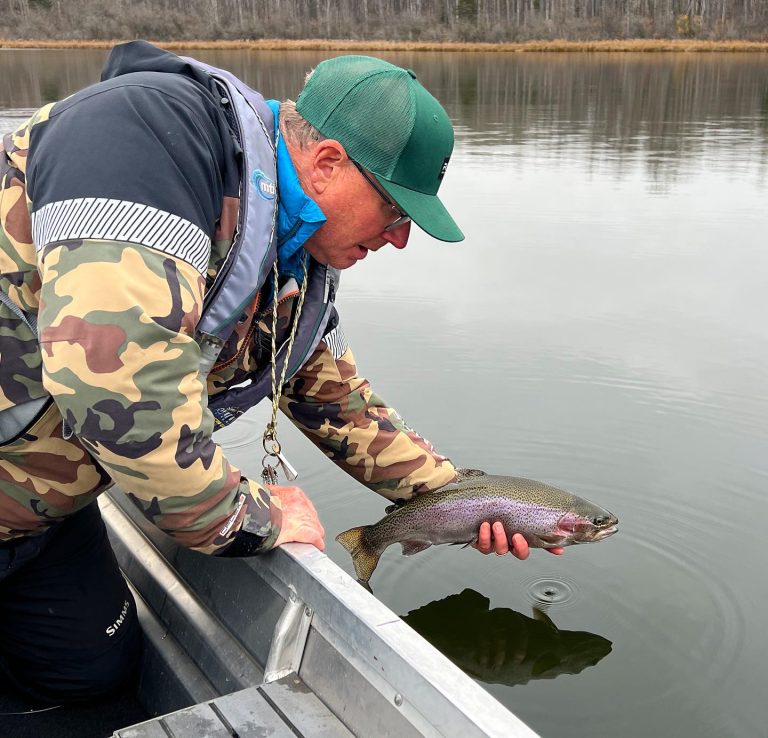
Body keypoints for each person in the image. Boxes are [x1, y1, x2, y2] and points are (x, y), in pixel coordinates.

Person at [0, 41, 563, 704]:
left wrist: (464, 501)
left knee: (91, 675)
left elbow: (340, 403)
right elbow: (120, 397)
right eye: (395, 210)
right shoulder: (142, 142)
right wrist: (250, 517)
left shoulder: (294, 258)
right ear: (326, 163)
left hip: (40, 520)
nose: (401, 238)